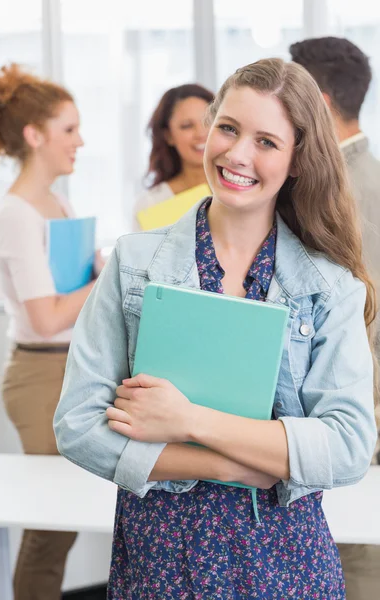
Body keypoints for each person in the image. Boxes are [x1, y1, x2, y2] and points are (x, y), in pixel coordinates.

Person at [54, 58, 377, 599]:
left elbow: (347, 447)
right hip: (160, 561)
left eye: (267, 142)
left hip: (286, 567)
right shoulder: (133, 263)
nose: (237, 154)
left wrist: (187, 419)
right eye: (227, 128)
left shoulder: (331, 285)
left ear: (297, 160)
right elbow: (78, 425)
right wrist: (235, 464)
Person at [0, 64, 101, 600]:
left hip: (68, 369)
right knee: (52, 526)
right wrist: (103, 282)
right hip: (38, 376)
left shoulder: (57, 203)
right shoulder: (15, 214)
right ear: (35, 136)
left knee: (64, 519)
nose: (81, 140)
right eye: (69, 129)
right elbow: (48, 317)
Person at [290, 37, 380, 600]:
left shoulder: (337, 190)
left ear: (317, 104)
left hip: (349, 407)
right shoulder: (366, 174)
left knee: (354, 550)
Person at [133, 83, 214, 230]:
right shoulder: (152, 204)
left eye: (208, 121)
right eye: (187, 126)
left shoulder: (242, 189)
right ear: (169, 135)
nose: (201, 133)